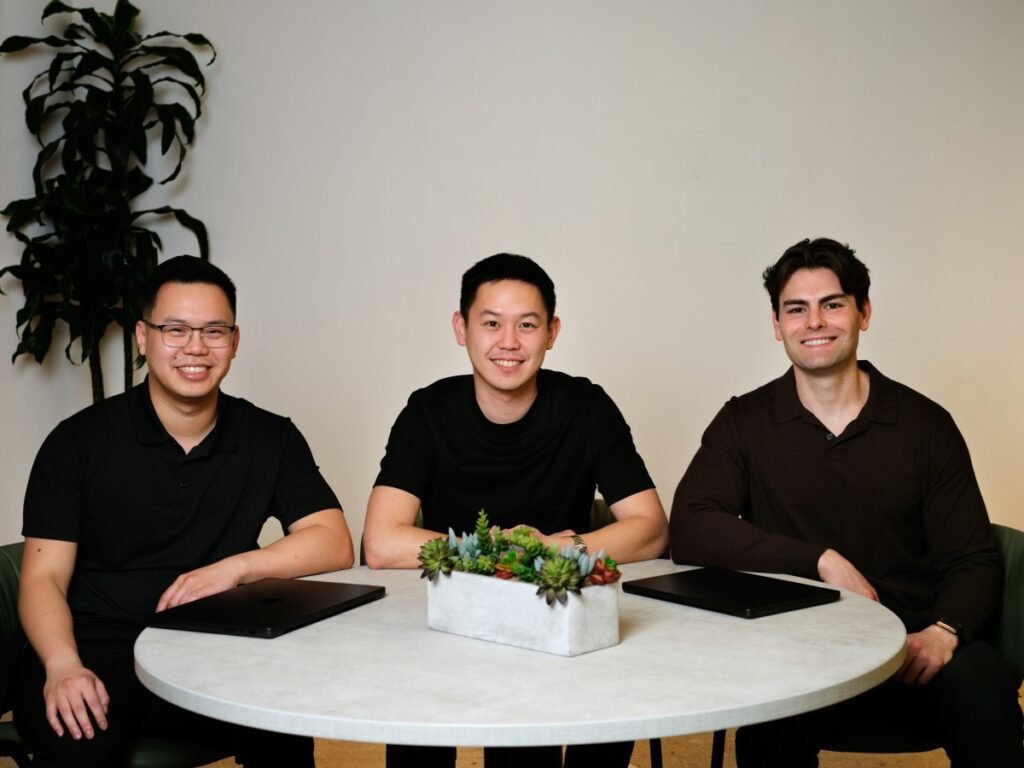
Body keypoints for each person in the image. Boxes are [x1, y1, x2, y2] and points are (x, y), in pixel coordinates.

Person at [670, 237, 1023, 767]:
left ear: (864, 312)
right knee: (767, 731)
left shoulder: (925, 425)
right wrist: (818, 560)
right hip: (797, 652)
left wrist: (944, 632)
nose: (815, 321)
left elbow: (972, 558)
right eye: (797, 308)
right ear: (777, 324)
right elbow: (691, 526)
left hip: (910, 649)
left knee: (985, 694)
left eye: (832, 304)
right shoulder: (744, 421)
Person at [13, 256, 354, 767]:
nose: (196, 347)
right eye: (175, 329)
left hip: (214, 648)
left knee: (286, 721)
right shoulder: (78, 442)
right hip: (95, 648)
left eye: (214, 331)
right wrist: (62, 665)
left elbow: (333, 540)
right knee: (82, 740)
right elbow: (43, 579)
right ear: (142, 337)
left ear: (235, 341)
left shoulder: (269, 436)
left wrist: (234, 568)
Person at [364, 253, 668, 768]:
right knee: (416, 727)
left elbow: (651, 529)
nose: (509, 342)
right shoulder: (428, 411)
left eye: (527, 325)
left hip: (554, 626)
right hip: (450, 625)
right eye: (491, 323)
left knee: (594, 704)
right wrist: (507, 551)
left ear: (552, 331)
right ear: (461, 328)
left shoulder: (586, 407)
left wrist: (559, 548)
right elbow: (381, 542)